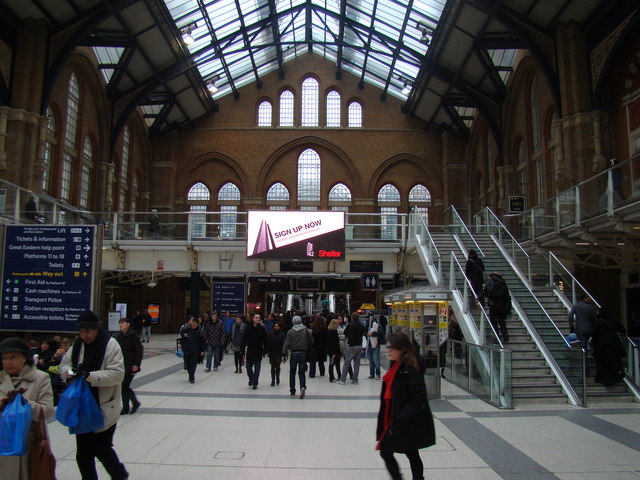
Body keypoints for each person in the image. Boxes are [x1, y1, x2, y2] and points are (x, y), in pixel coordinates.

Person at [59, 310, 129, 480]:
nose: (85, 335)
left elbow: (118, 373)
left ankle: (119, 475)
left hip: (103, 405)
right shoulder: (77, 345)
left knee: (101, 448)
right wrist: (69, 374)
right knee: (83, 454)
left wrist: (90, 376)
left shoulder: (110, 345)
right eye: (81, 332)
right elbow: (64, 364)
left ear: (96, 329)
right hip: (82, 406)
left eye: (88, 331)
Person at [376, 333, 435, 480]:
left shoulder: (409, 367)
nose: (388, 350)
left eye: (391, 347)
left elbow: (418, 395)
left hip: (405, 419)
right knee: (410, 452)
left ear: (401, 349)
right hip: (396, 416)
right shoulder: (396, 364)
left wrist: (403, 416)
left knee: (389, 451)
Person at [0, 337, 55, 480]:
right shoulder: (1, 380)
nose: (8, 362)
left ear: (24, 357)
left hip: (29, 445)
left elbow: (47, 412)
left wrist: (24, 403)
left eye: (13, 357)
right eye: (4, 358)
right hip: (4, 446)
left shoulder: (41, 378)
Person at [591, 309, 625, 386]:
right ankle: (616, 376)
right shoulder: (613, 321)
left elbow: (594, 335)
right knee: (615, 362)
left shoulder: (597, 323)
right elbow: (622, 330)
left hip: (601, 347)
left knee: (602, 364)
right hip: (614, 345)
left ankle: (603, 378)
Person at [116, 317, 143, 414]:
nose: (121, 325)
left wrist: (136, 364)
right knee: (123, 386)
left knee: (124, 385)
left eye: (123, 323)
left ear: (128, 324)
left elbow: (138, 351)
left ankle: (134, 403)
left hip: (130, 364)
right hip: (121, 364)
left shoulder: (133, 335)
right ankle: (126, 406)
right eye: (120, 323)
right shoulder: (119, 336)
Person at [282, 315, 313, 398]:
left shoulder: (290, 331)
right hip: (303, 352)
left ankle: (292, 390)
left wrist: (284, 354)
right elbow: (311, 341)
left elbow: (287, 343)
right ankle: (302, 386)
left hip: (294, 353)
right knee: (302, 372)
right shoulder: (306, 330)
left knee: (292, 372)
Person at [477, 272, 511, 343]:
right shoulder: (503, 283)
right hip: (503, 306)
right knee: (502, 321)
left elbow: (485, 292)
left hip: (493, 305)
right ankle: (505, 336)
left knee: (493, 322)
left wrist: (478, 298)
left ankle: (497, 337)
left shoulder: (490, 282)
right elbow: (507, 296)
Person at [338, 312, 366, 384]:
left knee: (347, 362)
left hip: (352, 346)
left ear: (352, 317)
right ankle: (355, 380)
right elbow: (364, 333)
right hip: (359, 345)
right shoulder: (361, 325)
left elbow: (345, 333)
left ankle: (342, 380)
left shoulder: (350, 325)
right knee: (357, 364)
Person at [244, 313, 269, 389]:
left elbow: (266, 340)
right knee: (248, 367)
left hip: (258, 350)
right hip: (250, 350)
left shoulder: (262, 329)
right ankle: (251, 378)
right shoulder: (248, 328)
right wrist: (242, 348)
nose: (258, 319)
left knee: (257, 369)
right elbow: (244, 338)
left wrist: (265, 350)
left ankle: (255, 382)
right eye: (256, 317)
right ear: (253, 319)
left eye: (259, 317)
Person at [179, 316, 205, 383]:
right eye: (192, 324)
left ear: (197, 324)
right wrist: (184, 335)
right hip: (186, 349)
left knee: (193, 364)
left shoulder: (200, 330)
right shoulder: (186, 328)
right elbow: (181, 333)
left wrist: (202, 350)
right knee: (187, 364)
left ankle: (191, 377)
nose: (192, 326)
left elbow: (202, 341)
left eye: (194, 324)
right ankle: (190, 374)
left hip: (195, 350)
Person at [267, 322, 286, 386]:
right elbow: (268, 343)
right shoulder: (271, 334)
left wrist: (284, 354)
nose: (276, 327)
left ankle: (277, 378)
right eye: (275, 326)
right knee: (272, 367)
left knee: (277, 367)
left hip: (279, 353)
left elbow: (283, 344)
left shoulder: (282, 335)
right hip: (272, 352)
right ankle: (273, 380)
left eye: (277, 326)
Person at [326, 318, 342, 382]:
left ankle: (331, 376)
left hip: (330, 350)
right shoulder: (334, 332)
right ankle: (338, 376)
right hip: (335, 351)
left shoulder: (328, 331)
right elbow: (336, 343)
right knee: (336, 364)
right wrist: (339, 352)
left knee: (331, 363)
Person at [367, 315, 382, 379]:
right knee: (371, 360)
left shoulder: (377, 325)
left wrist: (372, 334)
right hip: (369, 344)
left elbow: (381, 334)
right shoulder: (367, 325)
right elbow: (365, 332)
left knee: (376, 359)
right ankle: (372, 373)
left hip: (376, 344)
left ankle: (377, 373)